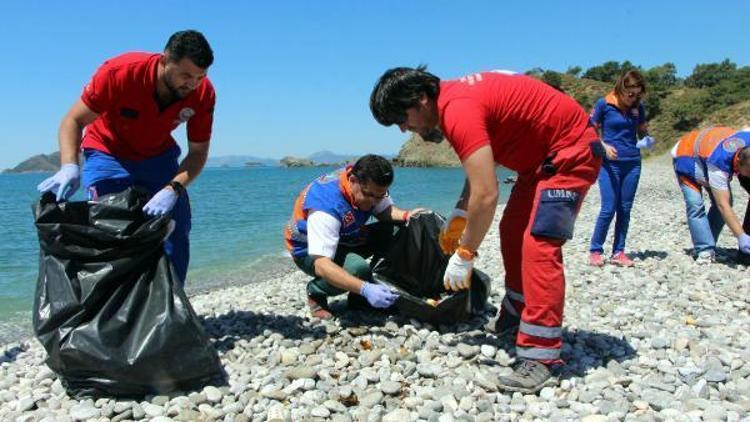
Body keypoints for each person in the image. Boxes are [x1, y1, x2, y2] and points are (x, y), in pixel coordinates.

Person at [370, 67, 603, 393]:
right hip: (538, 163)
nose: (403, 128)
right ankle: (517, 311)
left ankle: (541, 355)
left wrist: (465, 253)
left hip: (570, 153)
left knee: (539, 244)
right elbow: (480, 171)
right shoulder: (452, 102)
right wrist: (460, 213)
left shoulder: (457, 109)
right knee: (512, 231)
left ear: (421, 99)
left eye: (401, 118)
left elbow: (488, 192)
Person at [36, 30, 215, 284]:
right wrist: (69, 165)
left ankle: (172, 308)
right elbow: (73, 120)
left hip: (158, 155)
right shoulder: (120, 72)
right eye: (186, 75)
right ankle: (113, 312)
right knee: (109, 231)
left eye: (200, 77)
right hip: (107, 153)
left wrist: (174, 188)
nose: (192, 84)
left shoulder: (203, 93)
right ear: (165, 60)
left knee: (177, 228)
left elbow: (198, 153)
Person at [285, 154, 423, 320]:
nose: (374, 202)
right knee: (358, 269)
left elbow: (384, 211)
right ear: (352, 180)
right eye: (369, 195)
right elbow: (322, 264)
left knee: (399, 231)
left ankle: (358, 299)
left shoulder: (371, 186)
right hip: (308, 250)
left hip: (346, 235)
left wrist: (408, 215)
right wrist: (365, 288)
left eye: (380, 196)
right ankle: (316, 291)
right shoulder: (325, 208)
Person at [588, 70, 655, 267]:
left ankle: (619, 252)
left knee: (625, 209)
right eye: (631, 94)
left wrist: (647, 140)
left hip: (633, 162)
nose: (634, 98)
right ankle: (595, 250)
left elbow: (642, 132)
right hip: (609, 164)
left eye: (638, 94)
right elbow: (589, 129)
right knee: (608, 208)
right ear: (621, 89)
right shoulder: (604, 104)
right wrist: (603, 145)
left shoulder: (638, 108)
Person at [671, 126, 750, 263]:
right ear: (738, 163)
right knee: (696, 205)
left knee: (725, 203)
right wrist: (741, 236)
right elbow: (723, 205)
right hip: (686, 158)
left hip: (706, 150)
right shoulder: (719, 164)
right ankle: (704, 250)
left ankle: (711, 245)